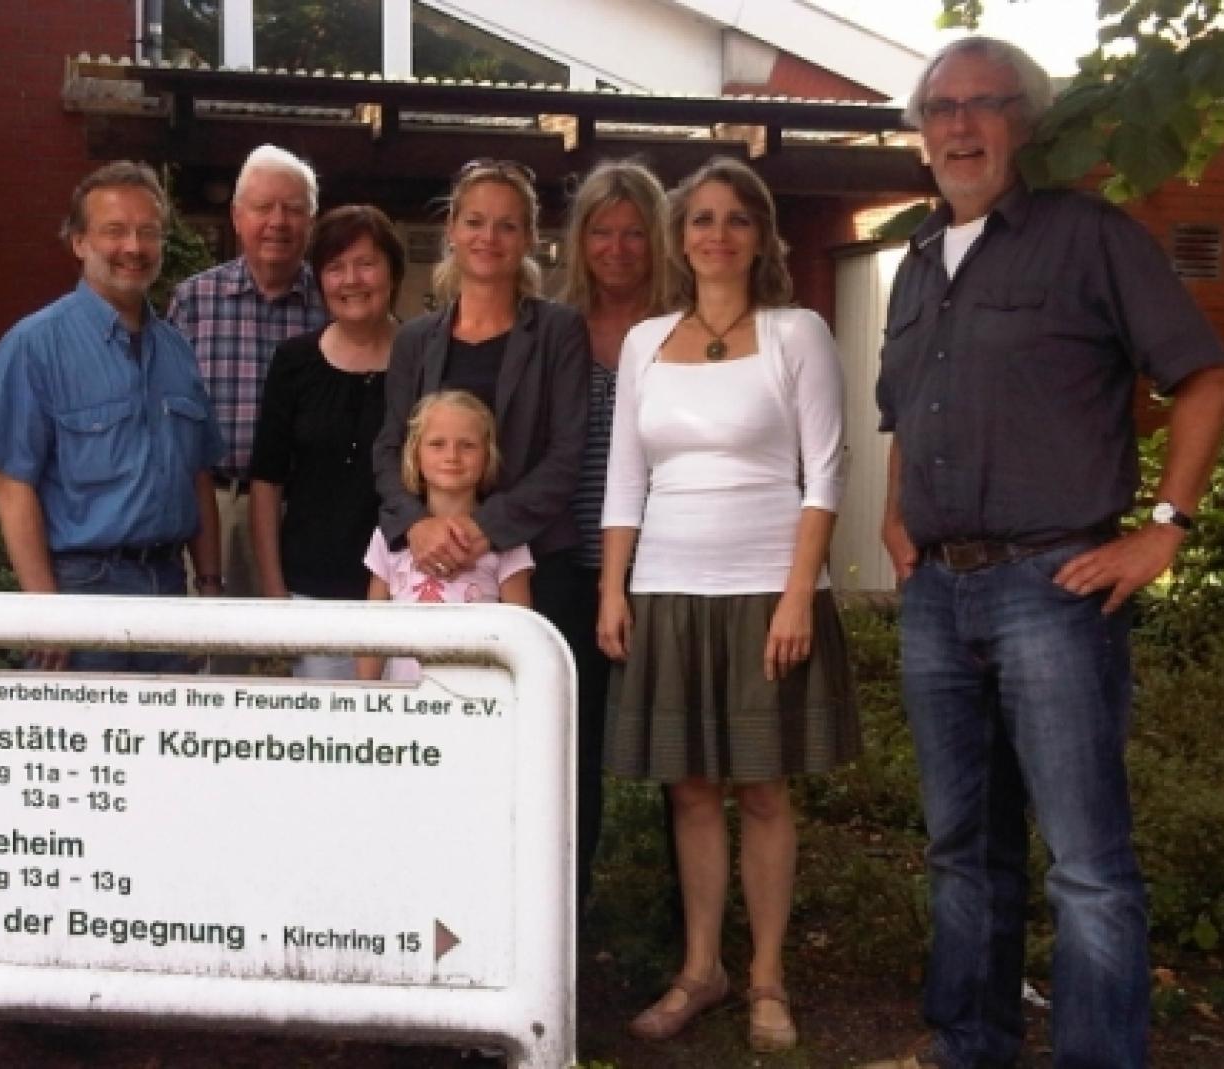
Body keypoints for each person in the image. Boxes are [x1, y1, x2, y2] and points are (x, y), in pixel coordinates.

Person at [862, 37, 1224, 1069]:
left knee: (1085, 865)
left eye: (984, 103)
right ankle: (970, 1045)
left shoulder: (1089, 238)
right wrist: (896, 521)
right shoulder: (915, 265)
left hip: (1055, 589)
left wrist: (1166, 528)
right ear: (921, 133)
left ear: (1025, 122)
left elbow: (1205, 377)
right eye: (941, 108)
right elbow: (905, 415)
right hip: (937, 594)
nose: (959, 125)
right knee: (961, 851)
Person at [598, 156, 859, 1051]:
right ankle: (701, 968)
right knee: (691, 790)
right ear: (680, 237)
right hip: (667, 590)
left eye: (736, 218)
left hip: (766, 592)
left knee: (763, 789)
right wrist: (613, 587)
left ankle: (767, 978)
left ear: (762, 237)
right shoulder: (645, 342)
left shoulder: (797, 333)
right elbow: (625, 480)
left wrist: (797, 596)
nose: (717, 233)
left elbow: (826, 472)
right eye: (701, 218)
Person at [0, 160, 223, 672]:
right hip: (80, 592)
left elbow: (197, 476)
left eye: (148, 232)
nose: (133, 247)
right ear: (79, 242)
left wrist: (210, 588)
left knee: (167, 728)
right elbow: (13, 485)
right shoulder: (34, 347)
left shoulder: (177, 351)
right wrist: (44, 610)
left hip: (170, 590)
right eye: (115, 231)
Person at [372, 159, 589, 669]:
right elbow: (389, 447)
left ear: (529, 237)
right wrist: (417, 526)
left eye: (506, 225)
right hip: (430, 561)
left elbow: (567, 453)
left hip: (535, 561)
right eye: (474, 222)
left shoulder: (559, 331)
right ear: (451, 230)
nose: (488, 237)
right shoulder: (415, 339)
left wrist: (483, 528)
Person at [558, 158, 673, 911]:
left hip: (665, 561)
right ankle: (569, 921)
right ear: (581, 239)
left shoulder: (683, 328)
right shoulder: (554, 327)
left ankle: (688, 929)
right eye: (602, 231)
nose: (618, 248)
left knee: (680, 756)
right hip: (568, 565)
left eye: (635, 233)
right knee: (571, 752)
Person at [249, 205, 407, 678]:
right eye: (335, 267)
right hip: (311, 594)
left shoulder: (424, 359)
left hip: (407, 595)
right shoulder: (292, 362)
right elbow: (266, 482)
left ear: (393, 273)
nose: (351, 280)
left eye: (366, 263)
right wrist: (275, 595)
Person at [168, 144, 327, 599]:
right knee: (212, 640)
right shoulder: (194, 302)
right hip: (216, 509)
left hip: (304, 512)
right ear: (237, 217)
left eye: (292, 209)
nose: (278, 221)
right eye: (263, 207)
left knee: (304, 637)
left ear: (311, 221)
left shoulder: (332, 305)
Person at [358, 390, 534, 682]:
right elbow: (371, 630)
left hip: (479, 699)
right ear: (415, 454)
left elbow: (522, 636)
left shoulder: (505, 540)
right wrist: (366, 694)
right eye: (437, 444)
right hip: (405, 699)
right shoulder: (389, 535)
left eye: (467, 445)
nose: (452, 456)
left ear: (488, 455)